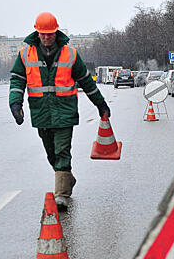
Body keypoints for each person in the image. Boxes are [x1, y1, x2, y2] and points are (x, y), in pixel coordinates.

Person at [8, 12, 111, 209]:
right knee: (51, 154)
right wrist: (15, 104)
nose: (46, 38)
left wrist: (101, 104)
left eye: (50, 34)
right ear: (37, 32)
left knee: (63, 150)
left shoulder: (70, 53)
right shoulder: (25, 54)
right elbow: (17, 81)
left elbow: (86, 82)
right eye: (43, 34)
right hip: (41, 113)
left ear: (56, 32)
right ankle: (67, 178)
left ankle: (62, 195)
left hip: (65, 112)